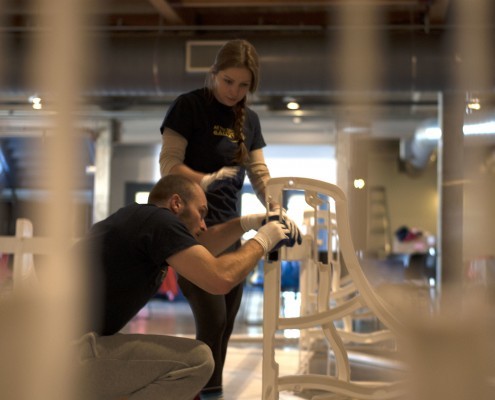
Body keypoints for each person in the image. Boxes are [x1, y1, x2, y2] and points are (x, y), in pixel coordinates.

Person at [159, 39, 301, 398]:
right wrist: (204, 180)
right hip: (191, 230)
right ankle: (204, 393)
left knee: (225, 325)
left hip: (231, 230)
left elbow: (260, 174)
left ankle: (212, 391)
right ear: (214, 74)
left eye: (243, 86)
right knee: (213, 320)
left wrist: (275, 207)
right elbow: (168, 166)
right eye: (227, 81)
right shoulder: (188, 107)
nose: (234, 91)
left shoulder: (249, 120)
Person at [74, 174, 297, 400]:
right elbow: (221, 278)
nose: (203, 225)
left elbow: (202, 247)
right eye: (201, 213)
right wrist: (263, 240)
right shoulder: (159, 221)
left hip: (66, 344)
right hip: (70, 354)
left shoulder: (141, 222)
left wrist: (249, 222)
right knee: (197, 360)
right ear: (176, 203)